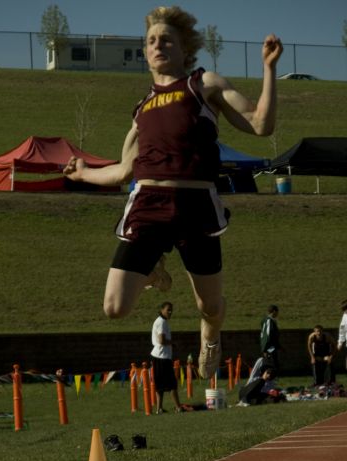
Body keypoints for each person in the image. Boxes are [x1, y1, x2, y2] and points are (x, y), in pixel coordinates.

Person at [63, 6, 283, 379]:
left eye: (166, 39)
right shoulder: (141, 110)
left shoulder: (203, 85)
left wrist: (269, 68)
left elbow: (261, 124)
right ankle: (156, 269)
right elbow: (124, 170)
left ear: (185, 50)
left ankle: (210, 336)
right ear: (145, 53)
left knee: (210, 306)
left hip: (195, 206)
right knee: (114, 307)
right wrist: (84, 173)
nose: (157, 45)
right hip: (148, 204)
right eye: (151, 41)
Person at [150, 301, 183, 413]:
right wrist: (173, 343)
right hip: (161, 357)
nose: (170, 312)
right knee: (172, 383)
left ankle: (159, 408)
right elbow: (162, 340)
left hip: (161, 356)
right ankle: (178, 407)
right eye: (168, 309)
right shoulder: (161, 322)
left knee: (160, 384)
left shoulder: (162, 321)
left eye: (171, 310)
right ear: (162, 309)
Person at [260, 305, 282, 372]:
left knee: (272, 361)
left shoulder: (265, 320)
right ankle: (271, 377)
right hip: (270, 346)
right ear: (274, 311)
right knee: (271, 362)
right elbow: (268, 335)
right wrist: (266, 349)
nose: (278, 314)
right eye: (277, 312)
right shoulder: (269, 321)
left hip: (269, 346)